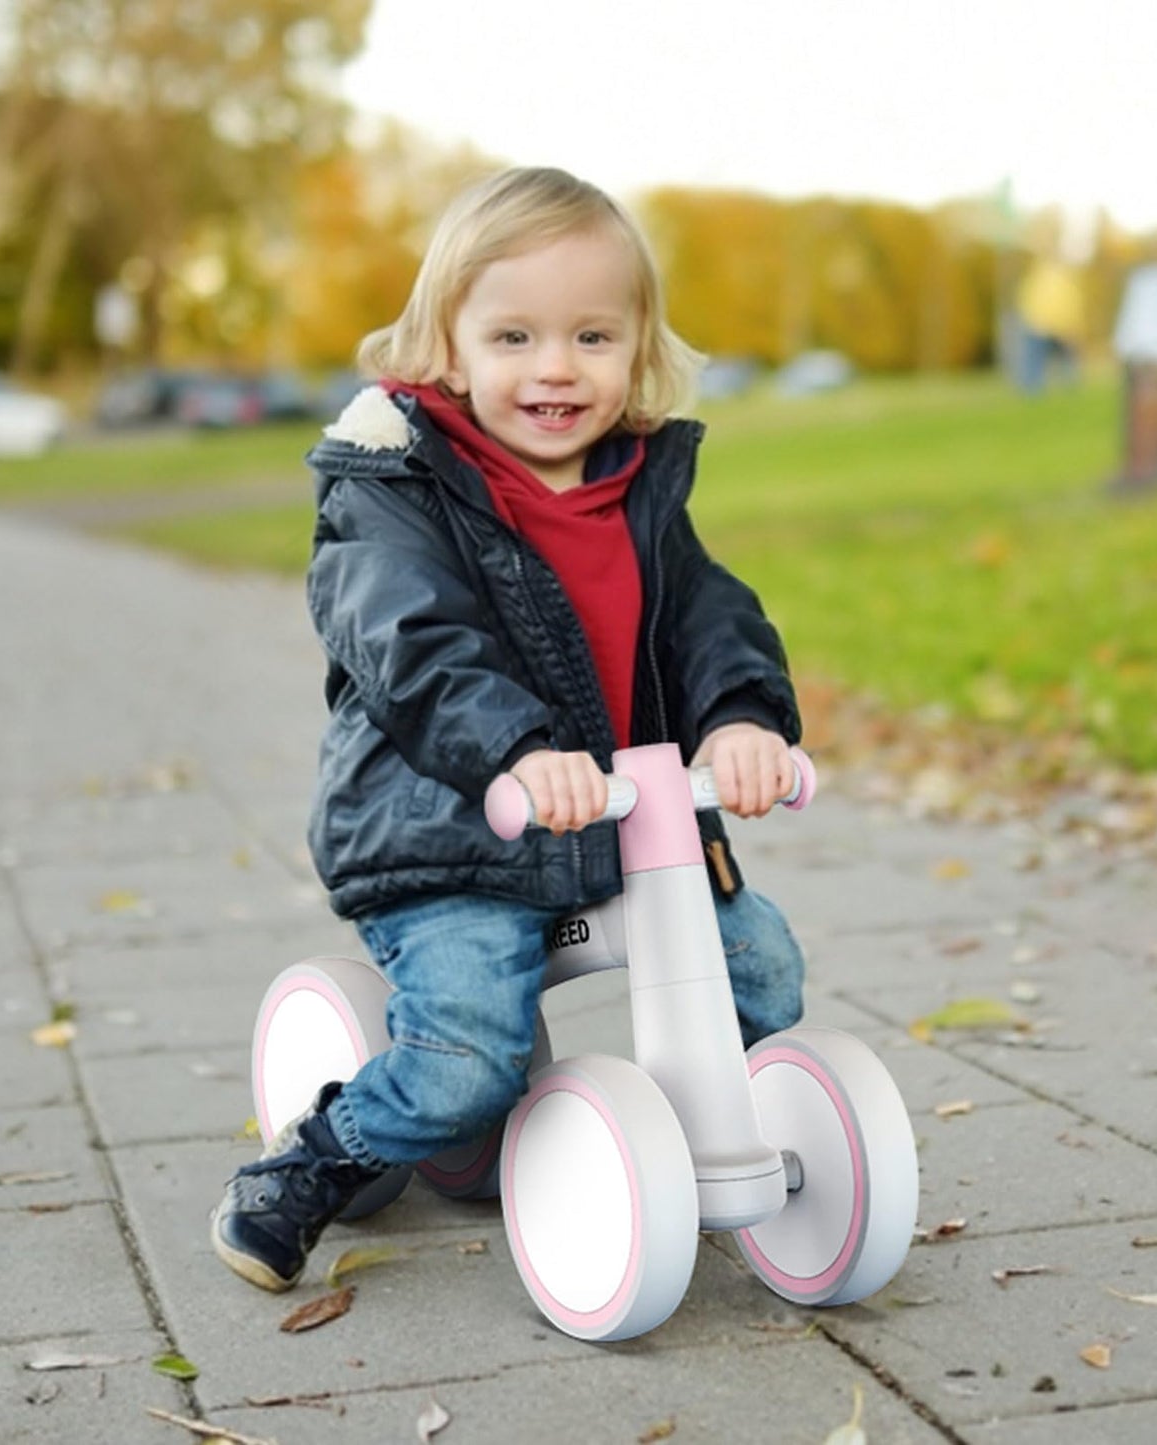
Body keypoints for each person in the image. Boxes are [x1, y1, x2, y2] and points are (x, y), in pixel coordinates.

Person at [212, 166, 806, 1292]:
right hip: (451, 832)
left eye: (591, 335)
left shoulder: (638, 488)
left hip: (613, 827)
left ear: (637, 347)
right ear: (447, 344)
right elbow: (412, 642)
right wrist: (517, 751)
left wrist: (739, 720)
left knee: (762, 971)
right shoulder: (386, 491)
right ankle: (312, 1159)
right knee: (467, 1058)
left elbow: (707, 620)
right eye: (515, 334)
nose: (554, 367)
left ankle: (694, 1132)